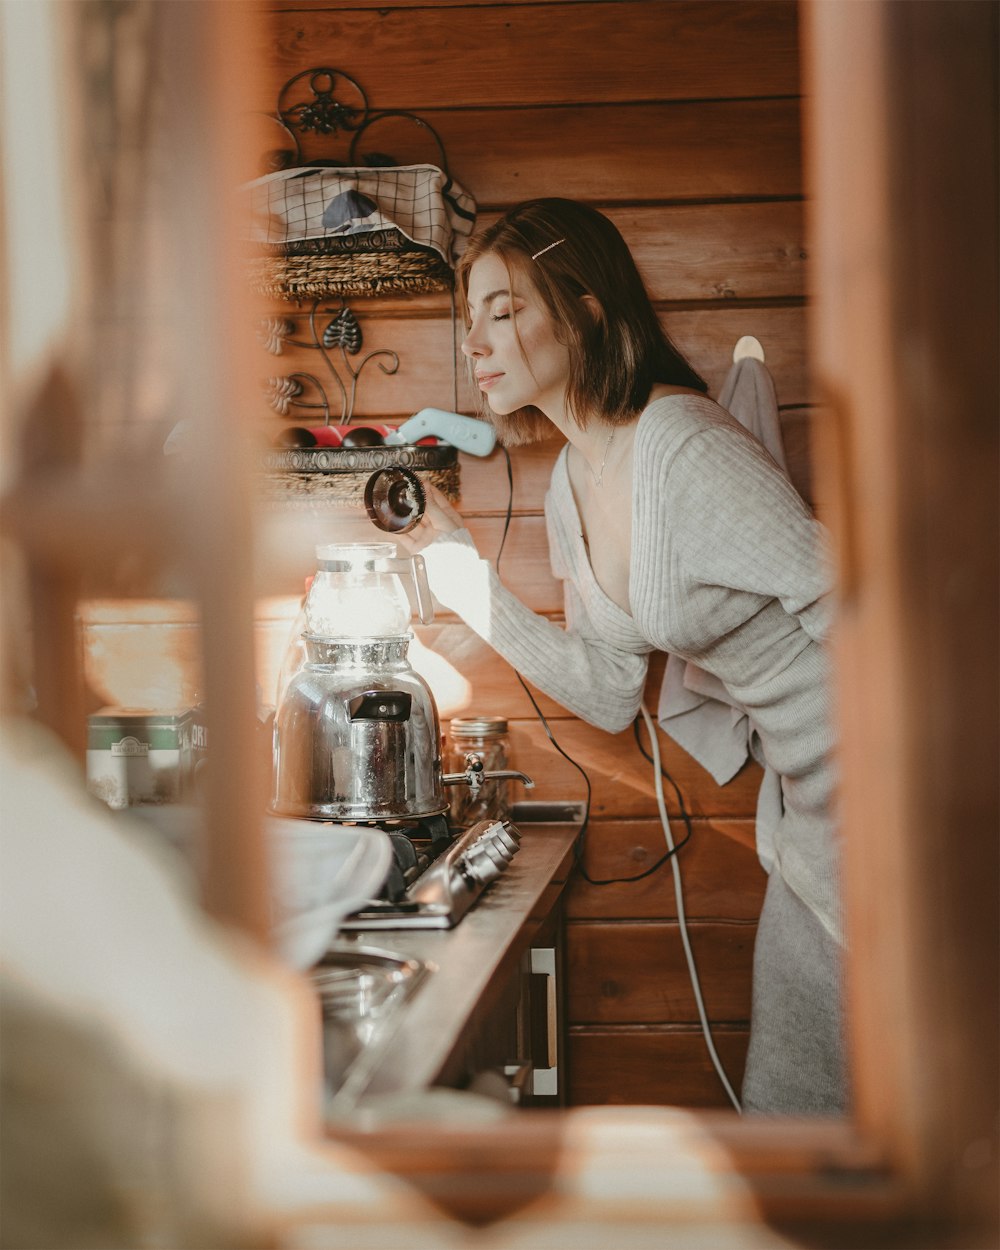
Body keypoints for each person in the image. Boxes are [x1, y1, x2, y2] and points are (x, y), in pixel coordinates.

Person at [394, 197, 847, 1116]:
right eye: (469, 316)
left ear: (585, 307)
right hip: (811, 806)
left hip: (888, 798)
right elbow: (606, 690)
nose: (475, 341)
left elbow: (857, 602)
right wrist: (466, 580)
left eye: (503, 309)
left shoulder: (681, 450)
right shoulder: (574, 477)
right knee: (794, 1104)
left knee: (912, 1098)